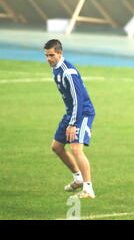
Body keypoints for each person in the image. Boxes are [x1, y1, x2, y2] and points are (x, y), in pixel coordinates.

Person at [44, 39, 96, 199]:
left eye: (51, 55)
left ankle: (88, 189)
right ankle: (78, 178)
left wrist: (73, 124)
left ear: (60, 53)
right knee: (57, 147)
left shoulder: (68, 72)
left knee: (76, 148)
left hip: (83, 113)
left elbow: (78, 100)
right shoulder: (56, 69)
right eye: (46, 55)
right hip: (71, 113)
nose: (48, 59)